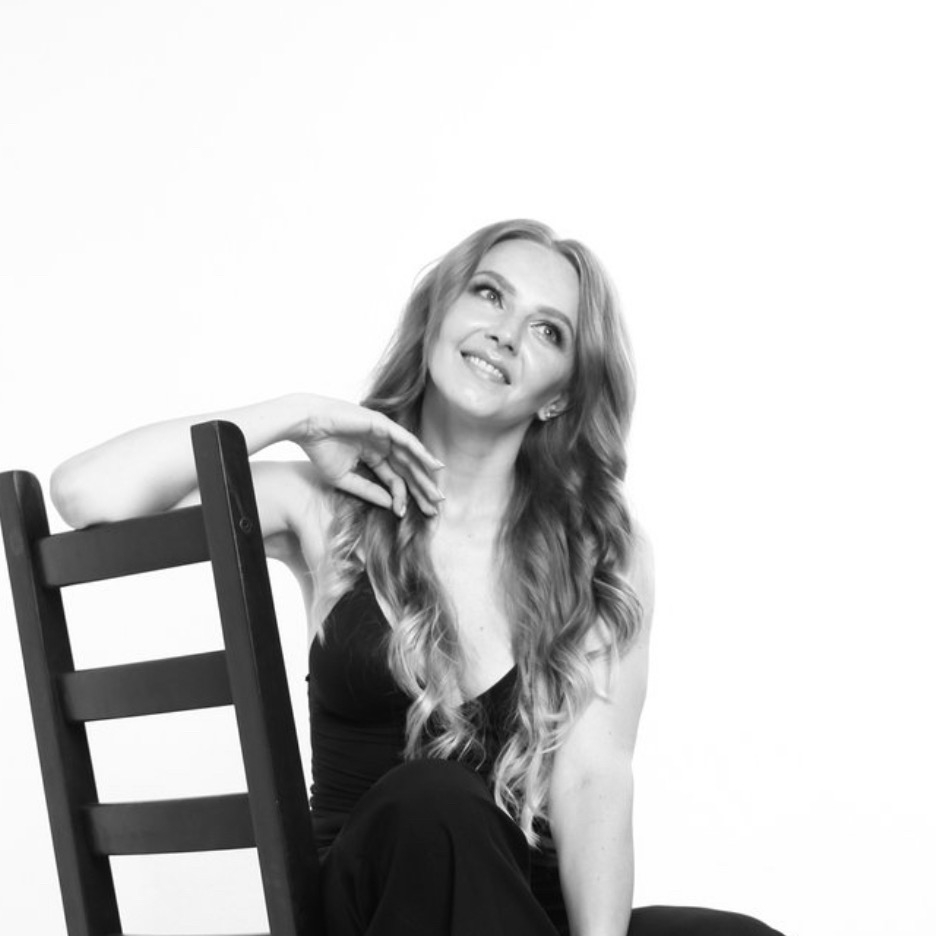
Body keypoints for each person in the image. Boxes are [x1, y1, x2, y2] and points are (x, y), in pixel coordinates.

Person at [51, 220, 783, 936]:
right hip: (372, 905)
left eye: (547, 330)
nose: (506, 332)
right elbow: (87, 493)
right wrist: (302, 417)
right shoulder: (323, 505)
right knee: (437, 802)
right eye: (489, 294)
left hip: (523, 910)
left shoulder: (600, 551)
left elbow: (594, 780)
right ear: (438, 313)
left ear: (559, 396)